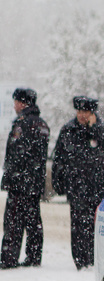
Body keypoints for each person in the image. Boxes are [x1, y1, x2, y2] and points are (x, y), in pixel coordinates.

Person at [52, 96, 104, 269]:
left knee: (96, 225)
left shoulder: (102, 128)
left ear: (92, 113)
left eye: (86, 112)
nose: (82, 115)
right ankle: (80, 261)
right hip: (76, 187)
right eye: (80, 111)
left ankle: (95, 259)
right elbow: (58, 157)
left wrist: (95, 127)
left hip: (97, 187)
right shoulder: (68, 129)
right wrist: (58, 181)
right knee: (78, 226)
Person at [0, 88, 50, 269]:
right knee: (33, 220)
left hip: (20, 182)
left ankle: (9, 258)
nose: (14, 106)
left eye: (15, 102)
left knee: (13, 221)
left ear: (22, 103)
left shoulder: (24, 124)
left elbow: (18, 154)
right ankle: (34, 256)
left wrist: (11, 177)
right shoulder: (41, 124)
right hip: (34, 182)